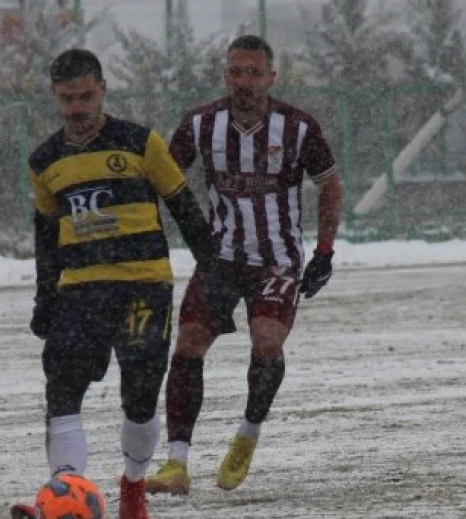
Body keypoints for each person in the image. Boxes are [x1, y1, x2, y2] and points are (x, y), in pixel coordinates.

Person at [9, 49, 217, 519]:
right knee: (62, 387)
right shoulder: (45, 160)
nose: (77, 107)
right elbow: (47, 233)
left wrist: (216, 275)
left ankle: (133, 485)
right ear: (54, 97)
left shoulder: (141, 143)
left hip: (143, 286)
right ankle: (64, 489)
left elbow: (184, 208)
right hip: (80, 290)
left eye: (85, 96)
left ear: (103, 89)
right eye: (67, 99)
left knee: (139, 393)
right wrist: (45, 296)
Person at [147, 35, 343, 495]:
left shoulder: (298, 127)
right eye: (236, 71)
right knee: (189, 343)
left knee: (267, 340)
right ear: (225, 75)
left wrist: (325, 252)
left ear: (271, 78)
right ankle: (176, 463)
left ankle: (247, 435)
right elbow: (163, 178)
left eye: (254, 73)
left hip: (277, 260)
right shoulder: (200, 124)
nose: (244, 82)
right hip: (220, 258)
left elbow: (329, 186)